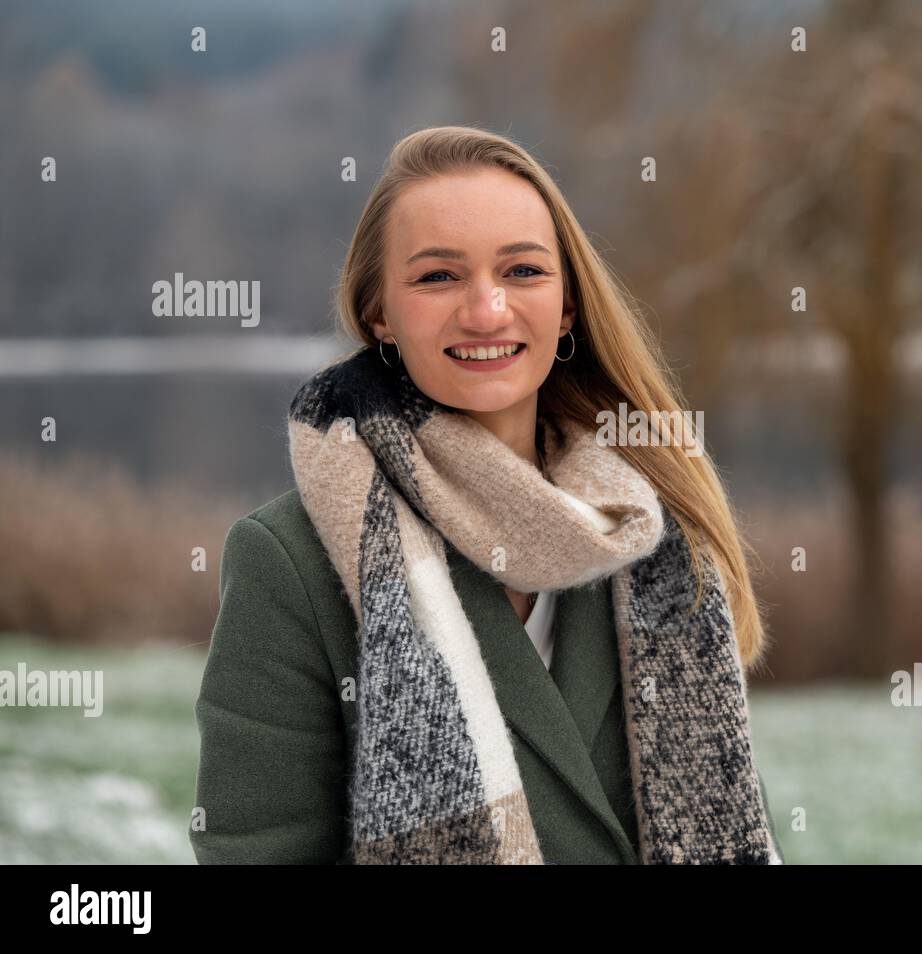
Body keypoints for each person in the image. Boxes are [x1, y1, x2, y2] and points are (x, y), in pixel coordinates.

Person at [190, 125, 784, 864]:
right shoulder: (288, 562)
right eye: (438, 277)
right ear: (379, 312)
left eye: (523, 271)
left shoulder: (655, 536)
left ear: (567, 306)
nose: (487, 311)